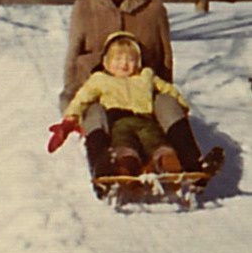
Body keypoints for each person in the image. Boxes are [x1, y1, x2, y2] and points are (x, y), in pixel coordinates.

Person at [58, 0, 181, 174]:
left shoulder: (154, 8)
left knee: (166, 105)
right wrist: (72, 99)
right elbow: (73, 56)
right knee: (95, 114)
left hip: (141, 91)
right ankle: (105, 166)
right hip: (97, 93)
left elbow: (166, 57)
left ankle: (183, 160)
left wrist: (164, 92)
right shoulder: (85, 6)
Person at [50, 31, 224, 184]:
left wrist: (182, 107)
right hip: (118, 121)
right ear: (106, 63)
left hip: (146, 120)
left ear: (138, 62)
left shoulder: (146, 76)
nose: (124, 64)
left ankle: (168, 162)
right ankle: (126, 165)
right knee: (124, 143)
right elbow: (82, 98)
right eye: (117, 59)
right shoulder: (99, 80)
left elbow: (168, 90)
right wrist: (70, 118)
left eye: (130, 59)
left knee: (156, 142)